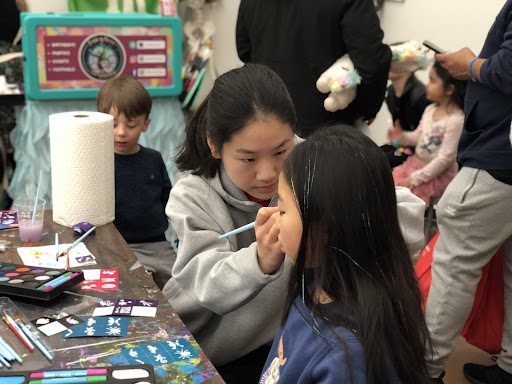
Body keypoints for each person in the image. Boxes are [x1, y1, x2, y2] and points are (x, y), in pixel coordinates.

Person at [162, 63, 426, 383]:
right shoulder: (193, 195)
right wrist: (259, 260)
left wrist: (341, 214)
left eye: (281, 151)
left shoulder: (308, 164)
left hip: (293, 339)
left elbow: (400, 208)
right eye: (248, 158)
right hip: (215, 352)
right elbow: (201, 283)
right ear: (214, 146)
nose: (268, 174)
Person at [260, 126, 432, 383]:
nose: (274, 220)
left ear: (325, 227)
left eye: (283, 210)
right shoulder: (315, 287)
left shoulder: (346, 359)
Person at [422, 1, 512, 383]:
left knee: (454, 265)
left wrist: (469, 65)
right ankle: (509, 367)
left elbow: (507, 69)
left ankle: (424, 370)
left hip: (499, 155)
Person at [236, 0, 391, 138]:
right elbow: (372, 61)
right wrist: (368, 108)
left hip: (269, 123)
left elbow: (245, 51)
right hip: (330, 130)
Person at [97, 76, 175, 290]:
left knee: (180, 289)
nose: (121, 132)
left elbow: (168, 199)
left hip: (157, 244)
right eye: (113, 124)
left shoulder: (153, 158)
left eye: (130, 125)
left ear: (145, 124)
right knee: (131, 290)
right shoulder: (98, 161)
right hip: (115, 246)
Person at [388, 62, 466, 205]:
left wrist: (415, 178)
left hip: (437, 175)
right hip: (416, 165)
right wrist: (402, 137)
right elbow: (419, 136)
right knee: (390, 187)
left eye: (432, 80)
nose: (427, 85)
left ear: (449, 89)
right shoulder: (430, 110)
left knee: (406, 199)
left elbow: (445, 158)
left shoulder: (456, 120)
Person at [382, 41, 431, 168]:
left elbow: (426, 141)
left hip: (420, 152)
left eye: (393, 60)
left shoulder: (421, 96)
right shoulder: (391, 93)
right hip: (402, 146)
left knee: (378, 160)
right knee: (368, 153)